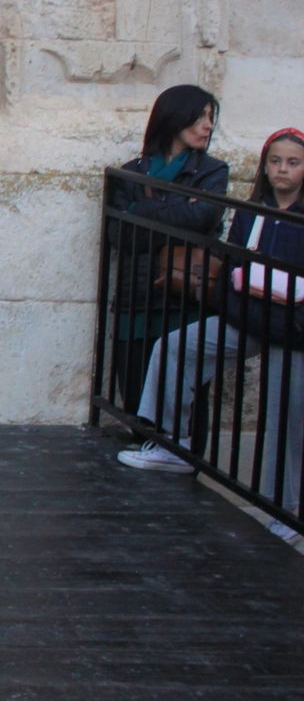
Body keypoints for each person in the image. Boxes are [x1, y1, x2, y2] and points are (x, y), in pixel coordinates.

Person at [118, 128, 304, 533]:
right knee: (177, 347)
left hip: (293, 330)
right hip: (252, 316)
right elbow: (232, 259)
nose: (282, 170)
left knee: (285, 413)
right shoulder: (254, 211)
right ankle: (174, 443)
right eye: (275, 161)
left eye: (292, 162)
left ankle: (284, 511)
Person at [105, 84, 228, 411]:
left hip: (186, 295)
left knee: (185, 395)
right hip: (138, 295)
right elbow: (119, 235)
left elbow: (203, 217)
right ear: (175, 117)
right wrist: (179, 214)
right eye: (200, 116)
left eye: (211, 117)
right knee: (133, 390)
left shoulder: (212, 171)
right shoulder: (129, 174)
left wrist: (140, 213)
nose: (208, 126)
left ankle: (183, 458)